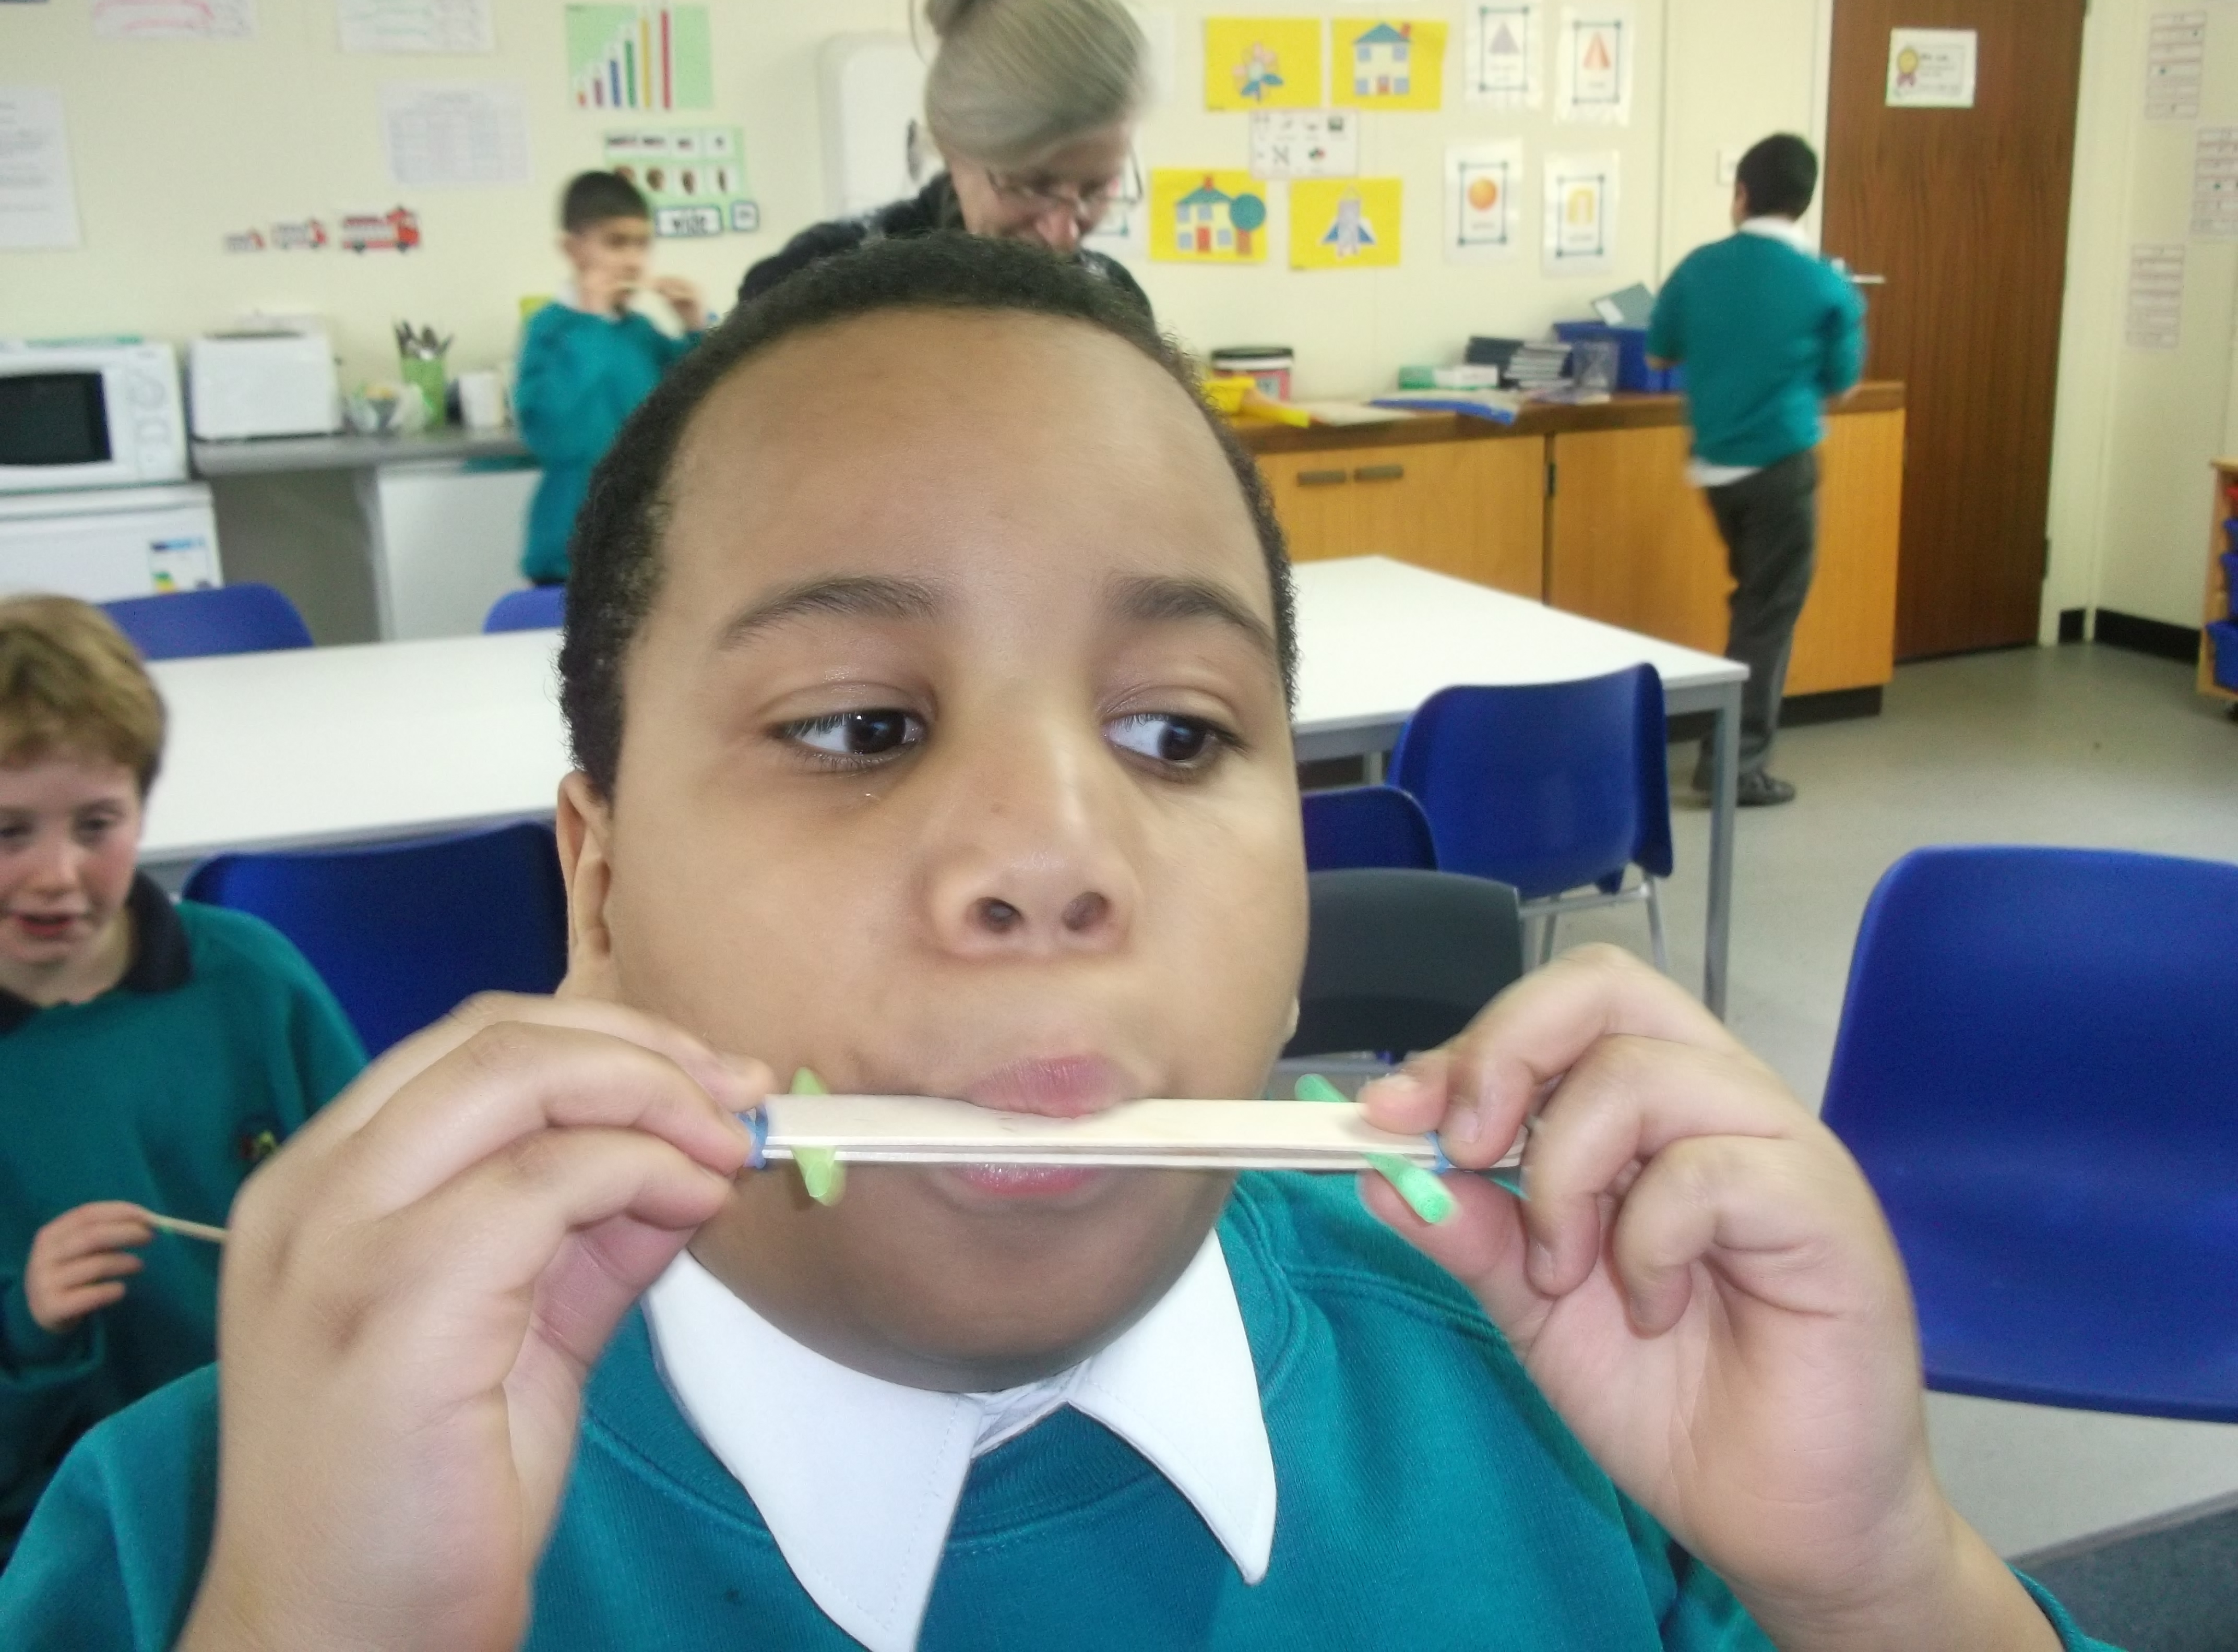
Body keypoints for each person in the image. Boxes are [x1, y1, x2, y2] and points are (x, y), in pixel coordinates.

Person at [0, 239, 2106, 1651]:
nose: (1050, 859)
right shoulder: (215, 1528)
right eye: (857, 727)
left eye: (1177, 735)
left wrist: (1881, 1580)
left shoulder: (1591, 1387)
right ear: (602, 881)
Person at [0, 596, 363, 1566]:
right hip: (65, 1533)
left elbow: (378, 1211)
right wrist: (28, 1325)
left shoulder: (251, 978)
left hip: (293, 1477)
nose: (56, 874)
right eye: (8, 831)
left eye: (97, 824)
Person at [1648, 134, 1865, 808]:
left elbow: (1657, 354)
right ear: (1804, 201)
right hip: (1782, 467)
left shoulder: (1698, 268)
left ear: (1741, 194)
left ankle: (1726, 743)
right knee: (1768, 614)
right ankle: (1734, 766)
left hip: (1715, 472)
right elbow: (1844, 384)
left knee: (1753, 604)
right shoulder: (1825, 284)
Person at [739, 0, 1151, 318]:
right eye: (1031, 186)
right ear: (952, 147)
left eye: (1096, 190)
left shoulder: (1114, 301)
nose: (1063, 234)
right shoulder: (813, 289)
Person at [514, 171, 708, 585]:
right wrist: (590, 321)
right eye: (616, 243)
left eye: (642, 244)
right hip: (569, 558)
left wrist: (695, 328)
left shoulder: (641, 333)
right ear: (572, 250)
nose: (633, 261)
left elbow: (700, 401)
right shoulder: (550, 330)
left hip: (644, 552)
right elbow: (553, 434)